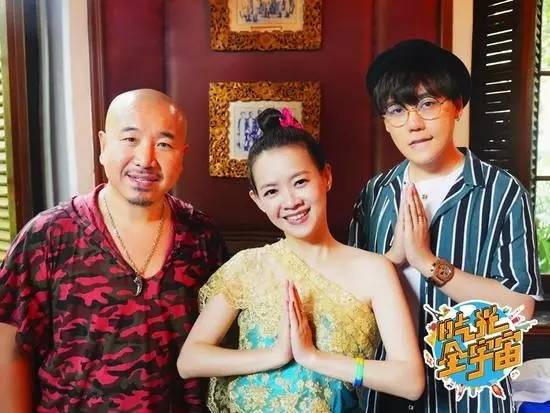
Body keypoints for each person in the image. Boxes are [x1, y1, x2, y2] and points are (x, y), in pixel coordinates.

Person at [178, 108, 424, 412]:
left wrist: (314, 358)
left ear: (326, 177)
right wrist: (275, 355)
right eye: (271, 191)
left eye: (300, 182)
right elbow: (190, 361)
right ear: (258, 201)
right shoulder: (248, 266)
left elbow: (410, 381)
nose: (291, 201)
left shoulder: (375, 270)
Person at [0, 89, 226, 412]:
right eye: (130, 139)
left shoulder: (203, 238)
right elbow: (10, 349)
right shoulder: (47, 236)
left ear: (182, 156)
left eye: (164, 144)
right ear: (103, 146)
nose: (146, 159)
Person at [349, 39, 544, 413]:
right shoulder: (375, 195)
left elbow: (519, 308)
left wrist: (428, 263)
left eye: (427, 104)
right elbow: (350, 303)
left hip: (470, 397)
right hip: (385, 394)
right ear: (386, 122)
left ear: (457, 106)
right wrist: (394, 258)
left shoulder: (502, 192)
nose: (414, 124)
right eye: (397, 110)